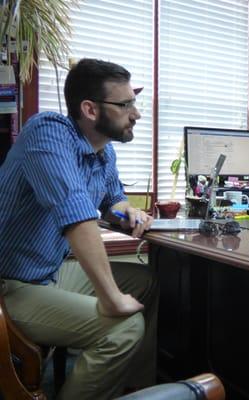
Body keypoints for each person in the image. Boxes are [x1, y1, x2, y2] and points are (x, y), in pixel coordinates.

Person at [0, 59, 158, 399]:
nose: (136, 114)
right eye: (125, 104)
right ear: (89, 109)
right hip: (9, 285)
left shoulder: (103, 152)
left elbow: (111, 200)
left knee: (147, 282)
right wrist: (110, 297)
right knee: (126, 327)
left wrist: (125, 210)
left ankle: (132, 387)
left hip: (49, 272)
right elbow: (75, 211)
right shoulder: (48, 132)